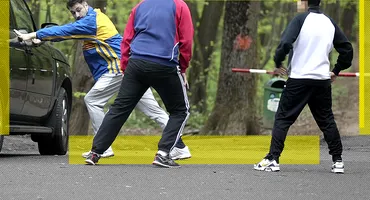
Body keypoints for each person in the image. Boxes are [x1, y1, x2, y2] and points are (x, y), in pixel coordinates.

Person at [16, 0, 191, 160]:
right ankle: (179, 146)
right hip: (131, 69)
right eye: (73, 13)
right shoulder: (87, 22)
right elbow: (67, 34)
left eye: (78, 10)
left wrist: (33, 34)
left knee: (92, 100)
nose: (77, 15)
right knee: (153, 110)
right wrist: (41, 38)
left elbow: (65, 30)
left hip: (119, 69)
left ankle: (103, 147)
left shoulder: (92, 21)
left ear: (85, 5)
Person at [83, 0, 194, 167]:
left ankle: (95, 152)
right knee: (180, 111)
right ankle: (163, 153)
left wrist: (126, 66)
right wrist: (183, 68)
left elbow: (127, 39)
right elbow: (186, 40)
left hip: (136, 63)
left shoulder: (140, 6)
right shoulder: (179, 5)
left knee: (119, 108)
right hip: (164, 64)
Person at [254, 0, 353, 173]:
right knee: (326, 120)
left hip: (299, 79)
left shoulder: (300, 20)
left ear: (305, 2)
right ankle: (338, 161)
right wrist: (336, 70)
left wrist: (278, 62)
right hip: (321, 81)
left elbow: (285, 43)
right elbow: (347, 50)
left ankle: (273, 158)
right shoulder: (329, 22)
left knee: (283, 118)